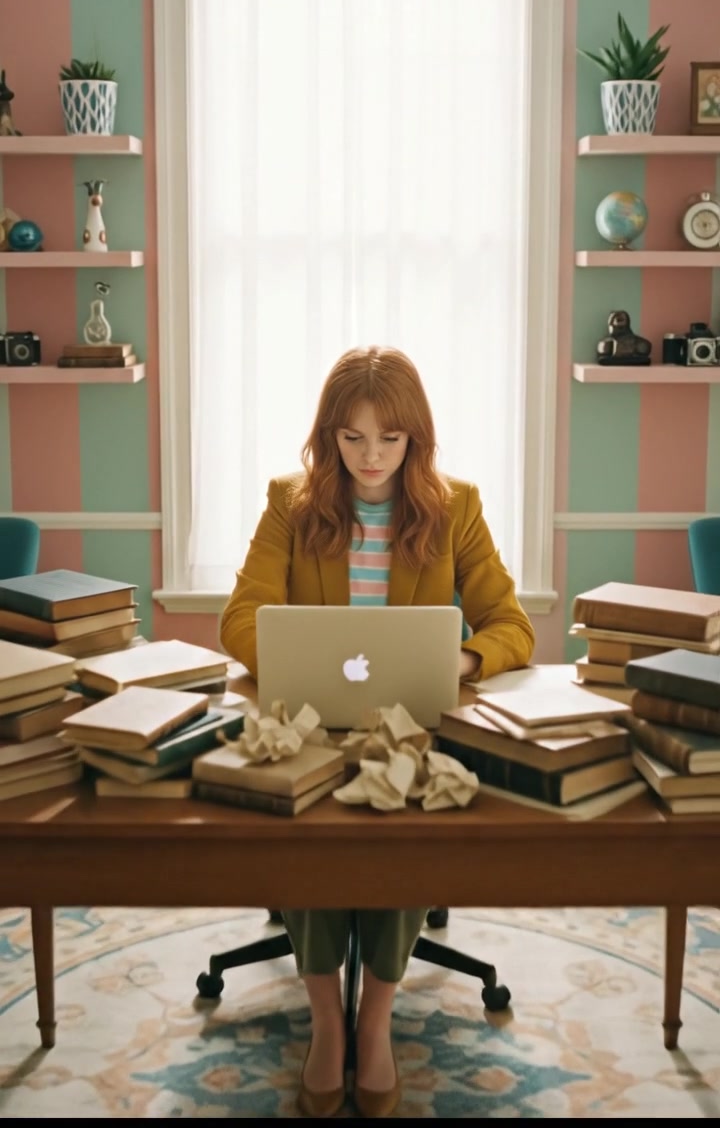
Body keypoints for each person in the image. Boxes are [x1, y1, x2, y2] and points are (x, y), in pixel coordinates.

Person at [220, 345, 535, 1118]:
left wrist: (459, 659)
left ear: (414, 439)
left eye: (388, 439)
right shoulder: (288, 503)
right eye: (352, 438)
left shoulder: (453, 505)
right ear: (328, 435)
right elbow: (238, 619)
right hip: (309, 721)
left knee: (398, 825)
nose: (370, 457)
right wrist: (301, 666)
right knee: (307, 828)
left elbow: (512, 625)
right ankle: (327, 1019)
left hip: (411, 726)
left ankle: (375, 1023)